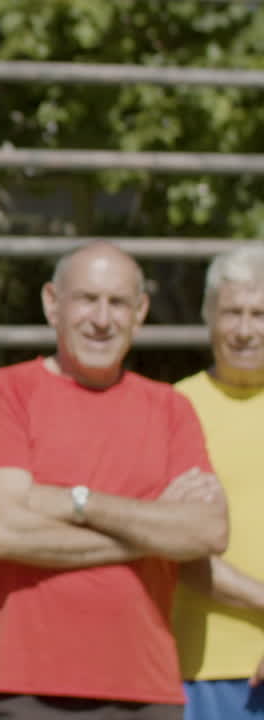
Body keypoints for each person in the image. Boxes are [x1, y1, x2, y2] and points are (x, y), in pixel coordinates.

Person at [0, 241, 229, 720]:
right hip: (28, 684)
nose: (102, 318)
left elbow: (207, 532)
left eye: (118, 302)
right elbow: (3, 534)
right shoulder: (5, 393)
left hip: (146, 687)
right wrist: (155, 532)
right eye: (87, 299)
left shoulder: (171, 409)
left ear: (140, 311)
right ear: (52, 303)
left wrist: (75, 502)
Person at [171, 242, 264, 720]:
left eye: (259, 312)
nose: (246, 329)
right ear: (209, 317)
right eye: (232, 313)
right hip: (205, 669)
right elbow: (176, 547)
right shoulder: (174, 409)